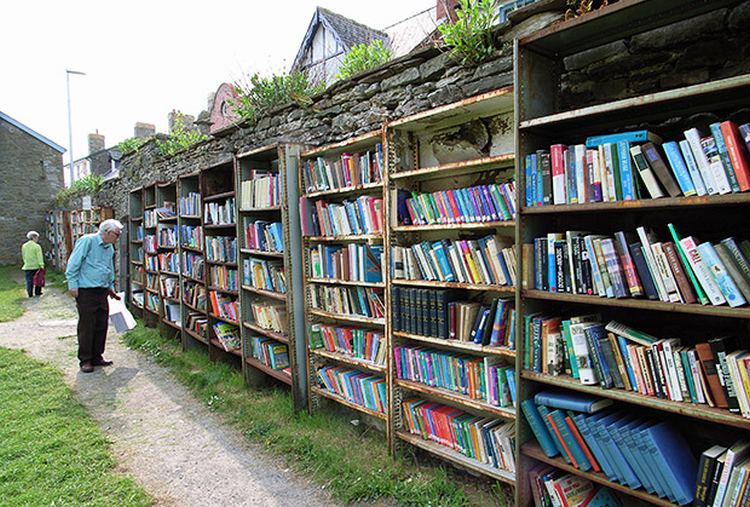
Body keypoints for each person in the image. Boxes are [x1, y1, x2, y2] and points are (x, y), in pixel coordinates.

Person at [65, 219, 123, 373]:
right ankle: (85, 359)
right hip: (86, 290)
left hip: (101, 290)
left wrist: (111, 288)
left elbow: (108, 268)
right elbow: (73, 263)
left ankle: (97, 356)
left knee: (101, 324)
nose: (118, 237)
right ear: (108, 232)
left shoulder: (109, 247)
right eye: (117, 234)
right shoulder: (87, 241)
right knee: (87, 325)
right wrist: (72, 284)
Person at [21, 231, 44, 297]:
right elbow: (39, 256)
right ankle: (37, 292)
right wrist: (41, 265)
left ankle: (30, 293)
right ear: (34, 237)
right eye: (37, 237)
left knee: (29, 280)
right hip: (36, 266)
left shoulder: (24, 246)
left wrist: (25, 262)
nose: (37, 239)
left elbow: (23, 255)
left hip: (27, 266)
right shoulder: (37, 246)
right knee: (38, 279)